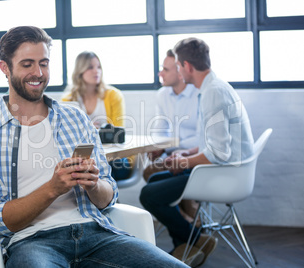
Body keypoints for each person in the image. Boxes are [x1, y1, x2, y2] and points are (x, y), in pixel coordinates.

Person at [0, 26, 187, 268]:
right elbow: (0, 221)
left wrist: (93, 185)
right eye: (27, 64)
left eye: (44, 63)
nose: (38, 72)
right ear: (5, 68)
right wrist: (52, 188)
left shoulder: (76, 119)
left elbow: (109, 197)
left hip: (96, 234)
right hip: (32, 242)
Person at [140, 37, 254, 267]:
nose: (179, 71)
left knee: (149, 195)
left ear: (187, 67)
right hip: (219, 169)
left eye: (179, 66)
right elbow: (212, 143)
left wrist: (184, 162)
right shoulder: (213, 87)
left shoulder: (213, 93)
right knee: (156, 179)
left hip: (224, 174)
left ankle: (195, 240)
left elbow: (219, 153)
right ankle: (189, 246)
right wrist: (186, 154)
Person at [144, 49, 200, 226]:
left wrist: (167, 148)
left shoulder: (199, 95)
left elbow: (203, 139)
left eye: (165, 69)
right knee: (149, 171)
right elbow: (160, 129)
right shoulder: (162, 94)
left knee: (159, 177)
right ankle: (189, 218)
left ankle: (189, 224)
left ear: (180, 70)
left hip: (196, 156)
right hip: (173, 155)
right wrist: (156, 146)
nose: (160, 73)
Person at [62, 51, 132, 181]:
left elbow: (117, 133)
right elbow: (69, 139)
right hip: (86, 159)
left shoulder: (113, 95)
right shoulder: (68, 100)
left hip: (116, 160)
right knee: (81, 169)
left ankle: (107, 198)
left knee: (103, 170)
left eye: (98, 67)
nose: (96, 71)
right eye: (90, 67)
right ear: (80, 71)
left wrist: (89, 130)